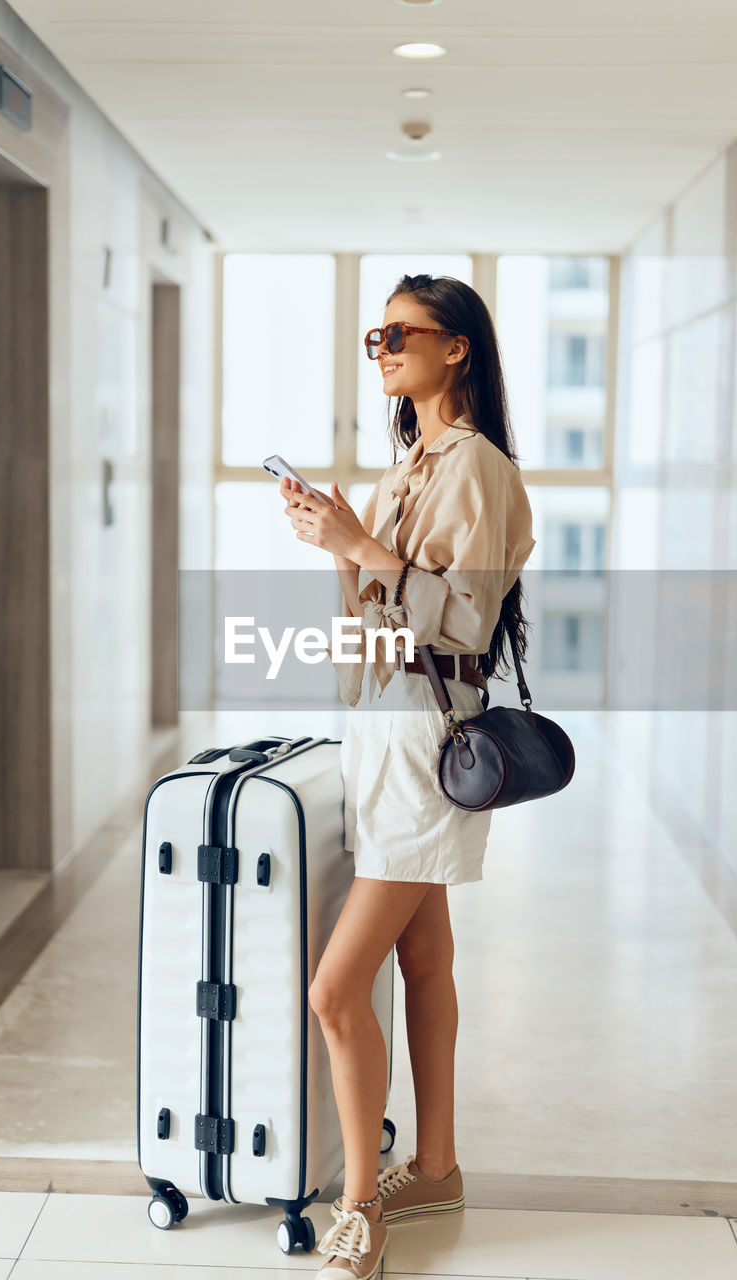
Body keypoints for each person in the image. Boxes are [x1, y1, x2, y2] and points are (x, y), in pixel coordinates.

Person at [277, 273, 536, 1279]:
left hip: (430, 743)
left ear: (457, 346)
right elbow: (369, 633)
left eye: (401, 331)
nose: (382, 346)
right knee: (423, 964)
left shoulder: (477, 468)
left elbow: (464, 622)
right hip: (380, 732)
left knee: (336, 989)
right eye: (375, 333)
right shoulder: (403, 470)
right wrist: (341, 549)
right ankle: (434, 1165)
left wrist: (364, 546)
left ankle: (359, 1207)